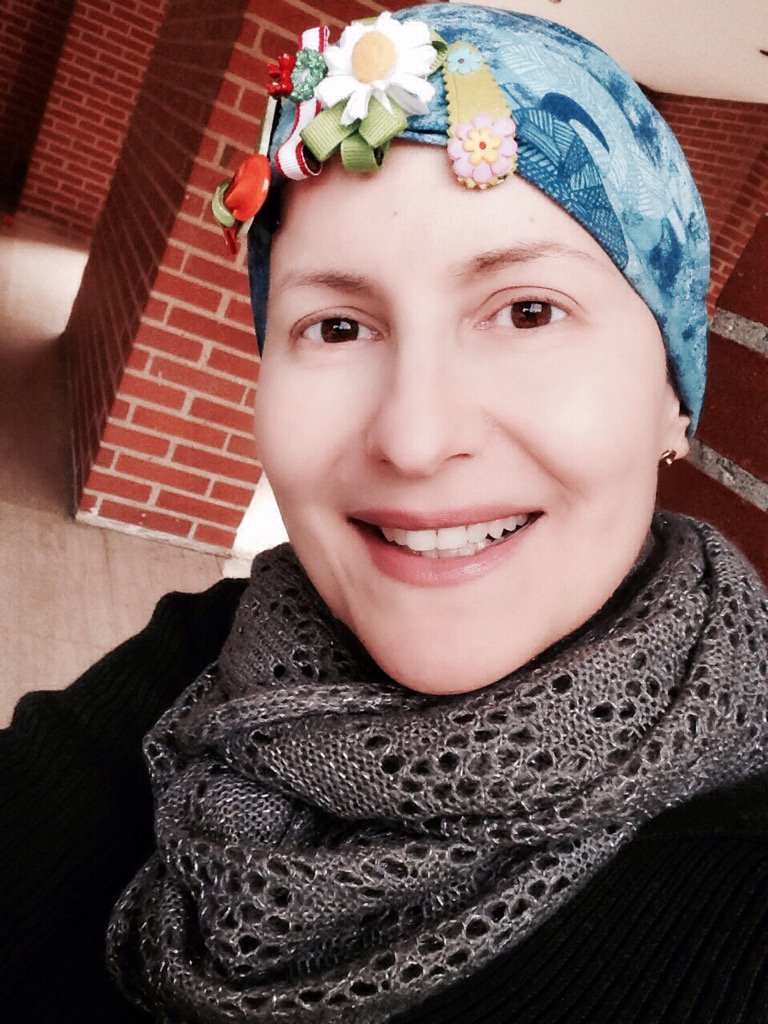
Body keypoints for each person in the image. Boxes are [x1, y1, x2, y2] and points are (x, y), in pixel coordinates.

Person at [2, 4, 767, 1023]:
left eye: (527, 310)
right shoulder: (198, 655)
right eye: (337, 326)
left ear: (673, 393)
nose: (413, 437)